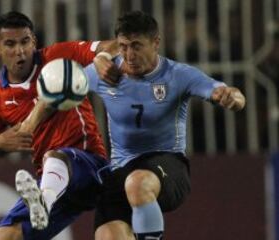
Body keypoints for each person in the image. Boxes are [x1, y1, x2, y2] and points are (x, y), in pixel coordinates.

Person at [84, 11, 246, 240]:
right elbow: (62, 88)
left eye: (137, 46)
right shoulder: (105, 72)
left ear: (156, 43)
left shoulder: (178, 75)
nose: (129, 55)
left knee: (137, 183)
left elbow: (232, 95)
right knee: (109, 236)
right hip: (120, 169)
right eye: (123, 46)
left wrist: (232, 97)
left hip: (168, 165)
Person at [0, 11, 117, 240]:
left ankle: (44, 200)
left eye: (25, 42)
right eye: (10, 44)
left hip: (90, 165)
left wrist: (101, 58)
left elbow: (114, 46)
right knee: (5, 236)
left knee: (56, 156)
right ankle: (44, 201)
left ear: (34, 42)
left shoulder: (58, 58)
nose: (20, 51)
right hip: (50, 179)